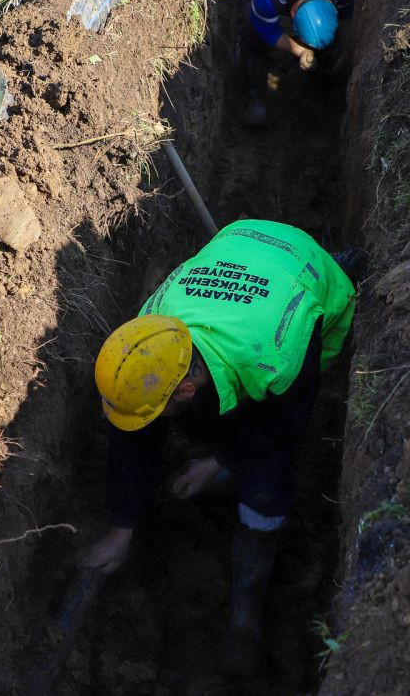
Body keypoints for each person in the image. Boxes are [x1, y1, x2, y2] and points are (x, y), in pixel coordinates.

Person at [81, 219, 360, 676]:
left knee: (266, 476)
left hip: (307, 278)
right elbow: (132, 434)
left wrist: (218, 462)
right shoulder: (149, 337)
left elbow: (284, 427)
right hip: (239, 239)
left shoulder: (276, 356)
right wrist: (121, 528)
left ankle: (245, 611)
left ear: (187, 388)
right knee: (192, 420)